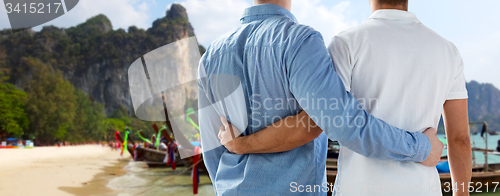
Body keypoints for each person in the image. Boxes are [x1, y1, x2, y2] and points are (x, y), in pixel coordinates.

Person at [219, 0, 471, 195]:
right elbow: (460, 140)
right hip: (422, 189)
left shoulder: (347, 43)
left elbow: (320, 121)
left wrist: (242, 144)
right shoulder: (448, 52)